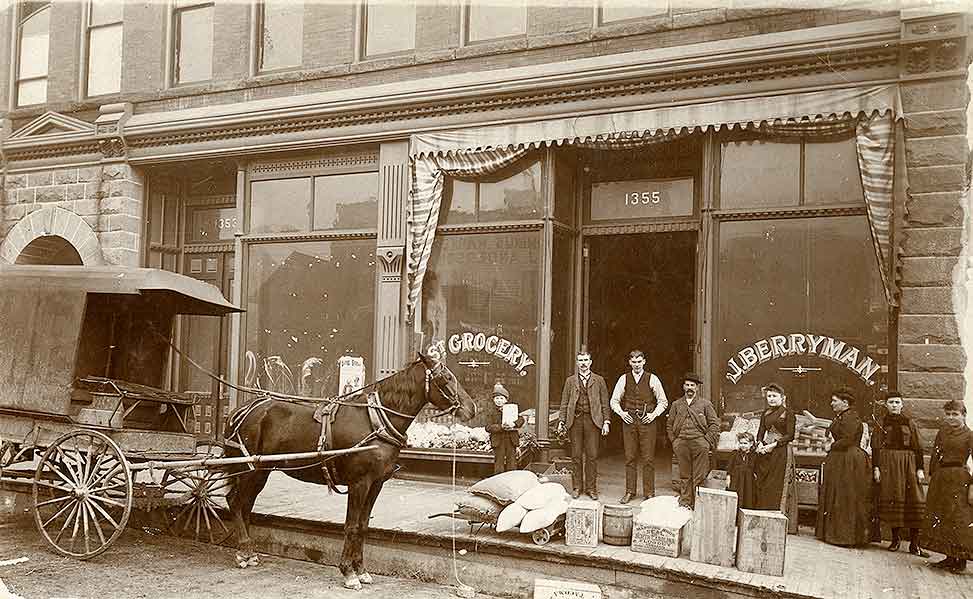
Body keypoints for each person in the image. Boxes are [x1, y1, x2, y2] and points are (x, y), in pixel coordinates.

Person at [871, 390, 928, 556]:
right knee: (894, 498)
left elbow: (918, 447)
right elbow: (875, 447)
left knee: (914, 499)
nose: (894, 405)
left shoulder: (909, 422)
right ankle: (895, 540)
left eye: (897, 402)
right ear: (886, 405)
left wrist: (919, 469)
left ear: (902, 405)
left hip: (909, 464)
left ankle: (914, 544)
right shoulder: (881, 423)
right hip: (889, 464)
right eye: (891, 402)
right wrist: (876, 467)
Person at [610, 349, 668, 504]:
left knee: (648, 458)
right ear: (630, 362)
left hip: (647, 423)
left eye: (639, 361)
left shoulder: (652, 378)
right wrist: (622, 414)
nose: (636, 365)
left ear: (644, 361)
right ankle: (630, 491)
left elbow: (663, 401)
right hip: (629, 423)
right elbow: (614, 401)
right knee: (630, 458)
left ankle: (649, 492)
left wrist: (653, 415)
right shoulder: (624, 379)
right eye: (633, 362)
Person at [816, 388, 873, 547]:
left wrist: (831, 446)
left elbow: (847, 439)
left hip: (849, 460)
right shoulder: (843, 416)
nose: (831, 403)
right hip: (841, 458)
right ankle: (836, 533)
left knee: (845, 496)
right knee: (839, 494)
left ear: (845, 403)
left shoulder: (851, 417)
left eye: (835, 401)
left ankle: (845, 536)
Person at [923, 399, 973, 573]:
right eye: (948, 414)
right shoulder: (943, 432)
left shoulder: (969, 435)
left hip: (959, 478)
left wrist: (972, 485)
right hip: (941, 477)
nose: (951, 418)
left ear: (964, 415)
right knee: (942, 515)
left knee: (958, 518)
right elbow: (936, 453)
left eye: (955, 414)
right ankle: (949, 556)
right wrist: (933, 475)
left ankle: (961, 560)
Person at [557, 351, 611, 500]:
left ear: (591, 362)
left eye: (586, 360)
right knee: (576, 455)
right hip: (575, 421)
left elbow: (605, 403)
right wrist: (562, 421)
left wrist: (606, 421)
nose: (583, 363)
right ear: (577, 363)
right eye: (580, 360)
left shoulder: (599, 380)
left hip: (593, 421)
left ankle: (591, 488)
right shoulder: (570, 381)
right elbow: (564, 403)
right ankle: (577, 487)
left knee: (592, 456)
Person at [666, 372, 719, 508]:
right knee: (684, 474)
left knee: (699, 475)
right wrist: (674, 441)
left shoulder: (705, 404)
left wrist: (706, 441)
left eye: (692, 385)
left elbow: (714, 424)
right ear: (683, 387)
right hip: (681, 443)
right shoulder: (677, 404)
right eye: (687, 385)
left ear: (697, 388)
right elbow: (669, 424)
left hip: (700, 443)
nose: (689, 388)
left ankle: (698, 504)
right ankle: (685, 501)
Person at [753, 383, 797, 514]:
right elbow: (760, 431)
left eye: (774, 396)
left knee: (776, 483)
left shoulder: (788, 413)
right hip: (766, 450)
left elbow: (790, 435)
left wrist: (773, 445)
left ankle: (776, 513)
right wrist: (760, 443)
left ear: (782, 397)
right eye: (769, 396)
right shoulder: (765, 413)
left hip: (780, 451)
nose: (771, 399)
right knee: (764, 482)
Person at [484, 382, 524, 474]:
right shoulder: (491, 412)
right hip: (498, 441)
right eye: (496, 398)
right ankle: (498, 482)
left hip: (511, 440)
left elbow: (521, 420)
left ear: (506, 400)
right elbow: (488, 427)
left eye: (501, 398)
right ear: (493, 400)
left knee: (512, 463)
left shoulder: (511, 409)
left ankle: (511, 481)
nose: (499, 400)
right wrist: (500, 427)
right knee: (499, 463)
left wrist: (514, 424)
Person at [727, 431, 757, 510]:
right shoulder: (735, 454)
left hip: (748, 481)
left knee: (747, 498)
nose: (743, 445)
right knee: (735, 499)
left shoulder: (754, 455)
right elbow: (729, 467)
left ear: (751, 444)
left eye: (745, 443)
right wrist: (728, 478)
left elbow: (756, 469)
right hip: (736, 480)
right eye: (741, 443)